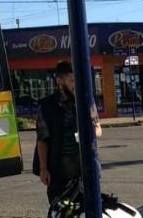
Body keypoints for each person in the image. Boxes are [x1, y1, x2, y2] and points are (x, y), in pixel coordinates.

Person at [34, 60, 102, 204]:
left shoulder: (86, 100)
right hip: (59, 173)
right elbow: (42, 139)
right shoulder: (47, 105)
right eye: (72, 80)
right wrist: (43, 169)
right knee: (59, 216)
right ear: (59, 81)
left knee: (89, 212)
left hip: (86, 169)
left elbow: (98, 127)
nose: (76, 84)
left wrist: (90, 133)